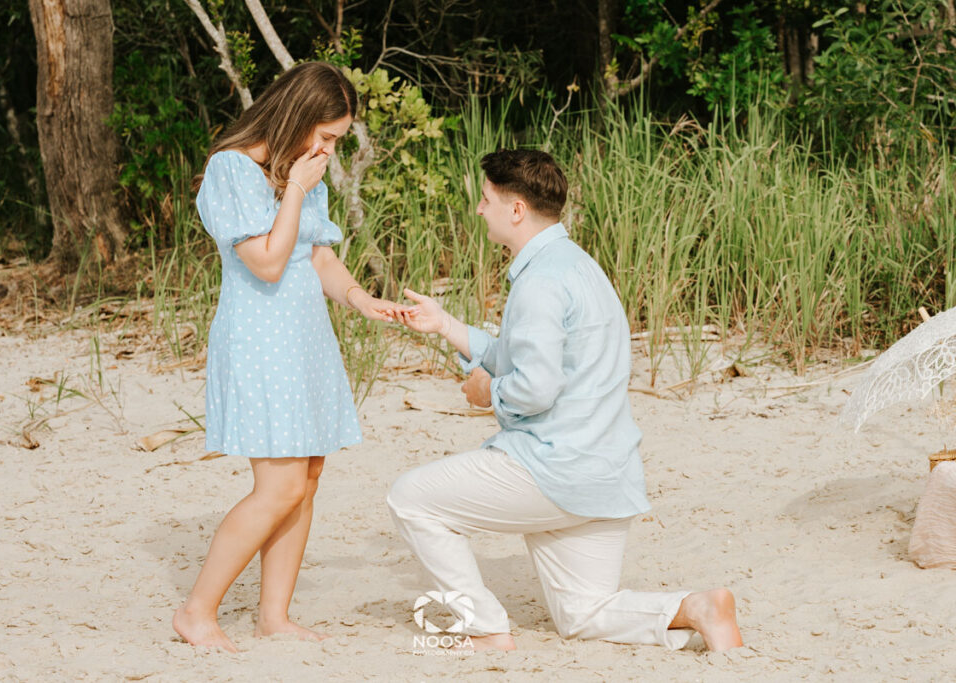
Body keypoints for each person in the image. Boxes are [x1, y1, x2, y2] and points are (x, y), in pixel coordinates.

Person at [390, 149, 743, 652]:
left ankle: (483, 627)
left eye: (485, 199)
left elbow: (534, 387)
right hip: (605, 474)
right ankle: (696, 607)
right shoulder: (578, 266)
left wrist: (486, 390)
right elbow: (526, 358)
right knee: (583, 613)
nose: (478, 209)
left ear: (516, 209)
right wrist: (446, 325)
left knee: (410, 498)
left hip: (555, 469)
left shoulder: (539, 282)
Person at [173, 62, 404, 653]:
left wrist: (361, 298)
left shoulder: (307, 173)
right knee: (276, 487)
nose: (329, 149)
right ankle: (197, 611)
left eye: (335, 140)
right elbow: (270, 261)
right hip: (258, 340)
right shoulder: (232, 170)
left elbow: (316, 258)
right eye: (325, 136)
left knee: (306, 479)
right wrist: (298, 186)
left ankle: (273, 615)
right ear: (297, 117)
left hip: (306, 339)